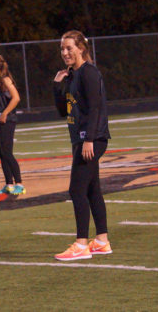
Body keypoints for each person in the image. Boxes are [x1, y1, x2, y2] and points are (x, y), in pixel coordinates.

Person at [52, 30, 112, 261]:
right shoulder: (71, 75)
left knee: (76, 189)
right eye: (62, 49)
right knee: (92, 189)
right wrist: (57, 85)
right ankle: (102, 241)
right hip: (81, 139)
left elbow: (96, 107)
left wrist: (89, 139)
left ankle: (81, 244)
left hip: (92, 139)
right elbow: (61, 111)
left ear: (81, 48)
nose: (65, 52)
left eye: (69, 48)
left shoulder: (88, 72)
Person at [0, 54, 25, 195]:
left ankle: (19, 183)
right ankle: (9, 184)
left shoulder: (5, 79)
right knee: (1, 154)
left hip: (6, 121)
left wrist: (5, 113)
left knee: (7, 152)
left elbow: (16, 98)